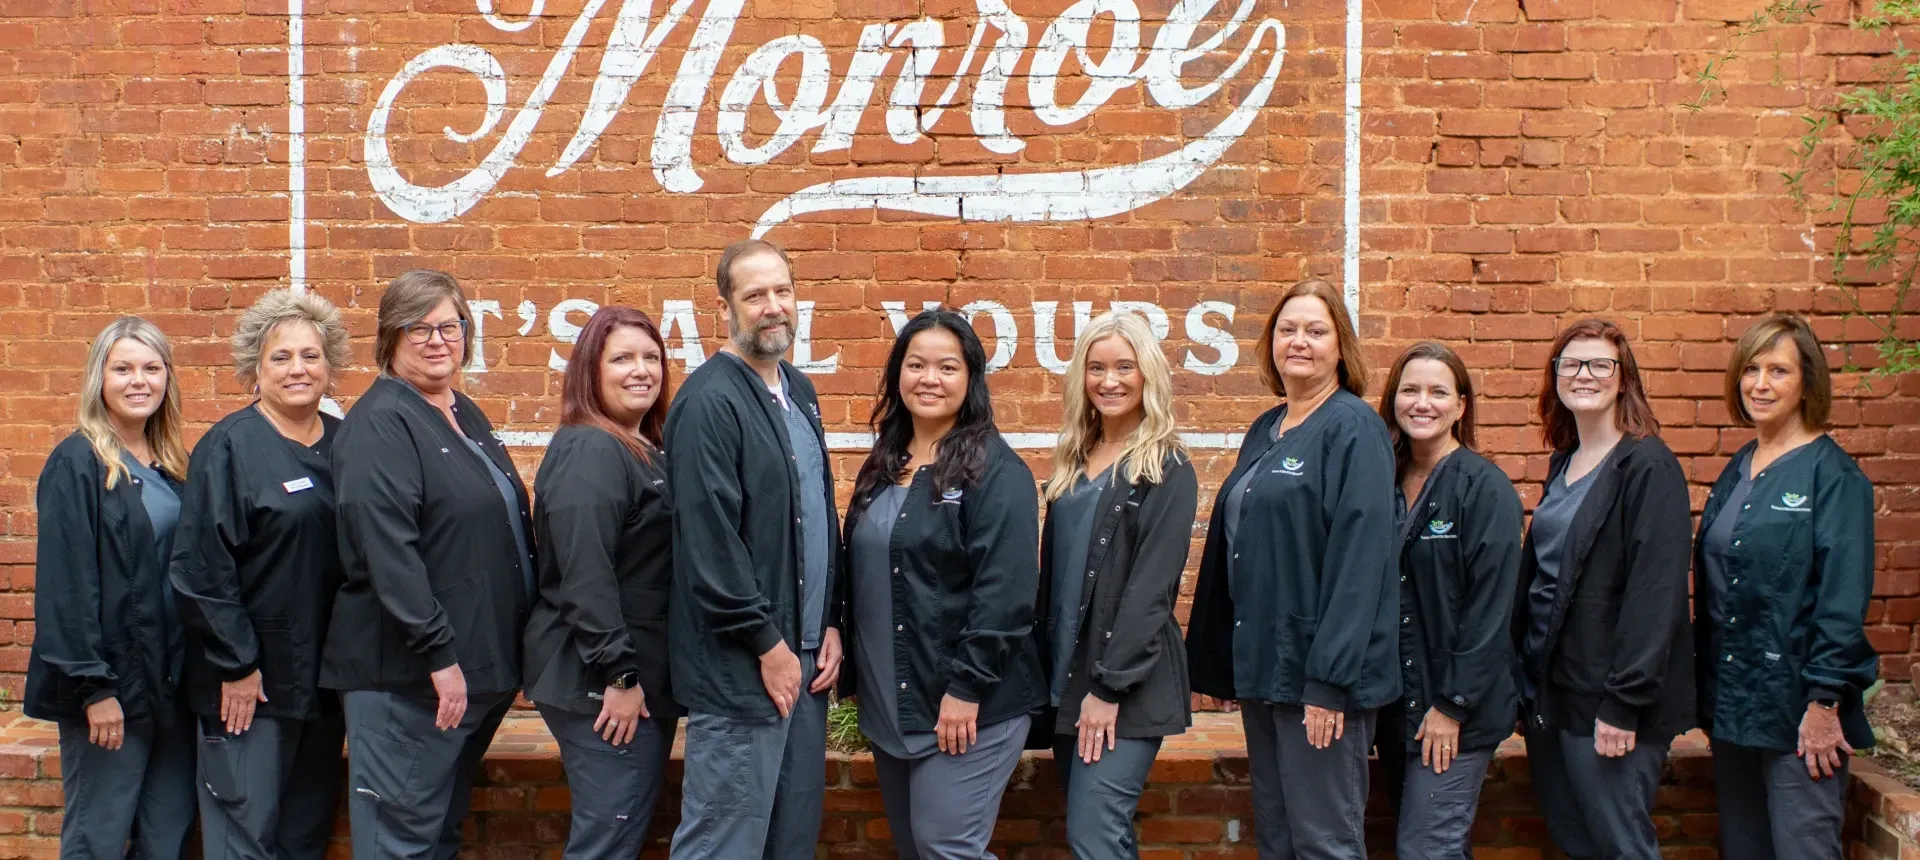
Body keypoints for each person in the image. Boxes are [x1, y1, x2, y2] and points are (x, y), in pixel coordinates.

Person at [321, 270, 536, 860]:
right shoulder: (380, 423)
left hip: (470, 678)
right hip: (410, 680)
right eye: (419, 328)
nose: (437, 339)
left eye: (450, 325)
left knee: (437, 832)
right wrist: (439, 653)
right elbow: (387, 549)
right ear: (390, 338)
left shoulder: (463, 411)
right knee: (399, 841)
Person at [1183, 279, 1399, 860]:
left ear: (1340, 347)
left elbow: (1361, 564)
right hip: (1267, 673)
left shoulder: (1355, 429)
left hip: (1322, 683)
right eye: (1287, 329)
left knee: (1325, 844)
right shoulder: (1266, 428)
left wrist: (1328, 683)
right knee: (1278, 839)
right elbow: (1242, 547)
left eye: (1315, 330)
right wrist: (1227, 666)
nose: (1298, 341)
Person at [842, 308, 1044, 859]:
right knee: (917, 850)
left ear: (971, 378)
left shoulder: (997, 472)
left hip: (967, 706)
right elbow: (859, 572)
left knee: (946, 847)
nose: (929, 379)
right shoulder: (884, 463)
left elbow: (1006, 596)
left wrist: (967, 688)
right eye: (916, 365)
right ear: (897, 374)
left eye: (947, 367)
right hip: (894, 707)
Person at [666, 240, 844, 860]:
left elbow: (819, 516)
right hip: (744, 671)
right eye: (755, 295)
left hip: (804, 659)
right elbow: (709, 547)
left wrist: (830, 624)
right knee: (723, 844)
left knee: (788, 841)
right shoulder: (709, 402)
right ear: (725, 308)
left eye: (783, 291)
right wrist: (768, 645)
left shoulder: (799, 391)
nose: (774, 307)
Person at [170, 290, 351, 860]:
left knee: (303, 837)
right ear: (254, 368)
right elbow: (201, 570)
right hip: (250, 687)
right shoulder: (228, 447)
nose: (298, 368)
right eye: (281, 357)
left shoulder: (348, 446)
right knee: (244, 840)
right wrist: (237, 665)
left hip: (326, 683)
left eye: (311, 356)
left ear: (330, 367)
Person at [1696, 313, 1875, 860]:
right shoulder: (1740, 466)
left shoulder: (1834, 477)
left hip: (1799, 714)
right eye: (1751, 369)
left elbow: (1842, 603)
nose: (1761, 384)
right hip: (1733, 708)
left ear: (1807, 383)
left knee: (1803, 850)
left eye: (1779, 370)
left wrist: (1824, 703)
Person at [1515, 318, 1693, 860]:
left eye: (1600, 364)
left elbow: (1656, 592)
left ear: (1624, 379)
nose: (1584, 374)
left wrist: (1624, 702)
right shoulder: (1564, 463)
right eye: (1570, 364)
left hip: (1609, 703)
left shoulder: (1647, 464)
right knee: (1578, 844)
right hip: (1555, 693)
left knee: (1622, 848)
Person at [26, 316, 196, 860]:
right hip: (112, 691)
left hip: (168, 688)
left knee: (165, 839)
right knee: (96, 840)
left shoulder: (172, 466)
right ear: (99, 377)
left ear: (167, 378)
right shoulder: (78, 463)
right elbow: (65, 588)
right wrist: (94, 691)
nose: (138, 380)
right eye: (122, 368)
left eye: (151, 368)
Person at [522, 306, 684, 859]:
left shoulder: (639, 445)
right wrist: (619, 674)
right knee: (608, 837)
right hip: (599, 680)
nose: (641, 370)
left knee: (619, 830)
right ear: (591, 371)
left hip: (628, 678)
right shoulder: (594, 450)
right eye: (621, 358)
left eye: (651, 357)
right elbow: (584, 575)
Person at [1033, 311, 1196, 860]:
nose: (1110, 380)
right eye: (1096, 367)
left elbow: (1152, 591)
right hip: (1066, 676)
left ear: (1148, 374)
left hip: (1121, 686)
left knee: (1095, 833)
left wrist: (1108, 690)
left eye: (1125, 366)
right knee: (1103, 835)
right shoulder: (1073, 461)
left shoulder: (1165, 467)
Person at [1372, 342, 1523, 860]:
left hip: (1455, 712)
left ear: (1461, 405)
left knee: (1426, 848)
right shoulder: (1382, 480)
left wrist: (1451, 706)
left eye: (1438, 392)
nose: (1422, 402)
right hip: (1394, 707)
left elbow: (1491, 609)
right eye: (1410, 390)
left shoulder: (1484, 488)